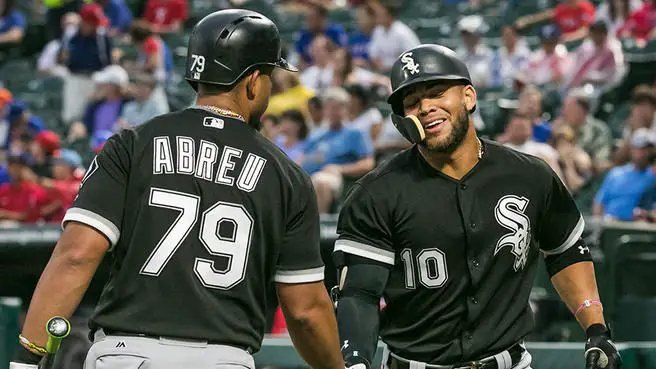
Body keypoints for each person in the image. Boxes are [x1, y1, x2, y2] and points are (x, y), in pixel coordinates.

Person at [10, 9, 345, 369]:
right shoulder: (286, 175)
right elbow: (306, 310)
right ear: (252, 82)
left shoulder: (132, 143)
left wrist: (27, 359)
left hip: (125, 353)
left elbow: (76, 255)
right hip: (223, 358)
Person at [332, 44, 622, 369]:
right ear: (402, 120)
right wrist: (356, 361)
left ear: (469, 97)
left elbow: (566, 251)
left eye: (437, 92)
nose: (426, 107)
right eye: (412, 102)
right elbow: (359, 294)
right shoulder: (376, 193)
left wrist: (595, 328)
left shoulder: (529, 174)